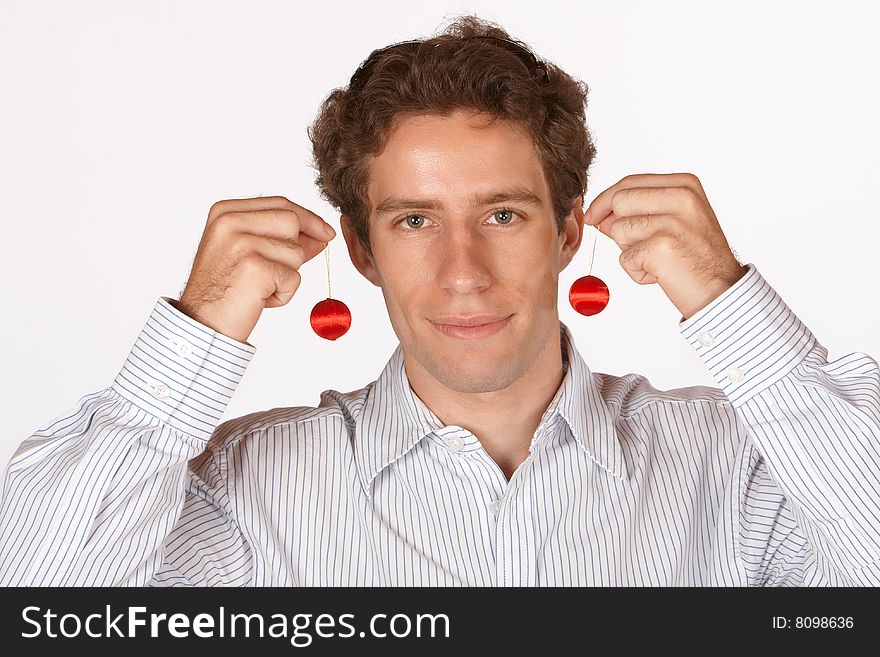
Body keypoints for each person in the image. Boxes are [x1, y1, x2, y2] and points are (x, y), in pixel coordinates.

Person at [1, 14, 878, 587]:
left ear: (569, 231)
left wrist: (729, 304)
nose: (463, 271)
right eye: (415, 218)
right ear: (361, 248)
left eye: (502, 212)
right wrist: (190, 342)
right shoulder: (244, 492)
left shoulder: (742, 463)